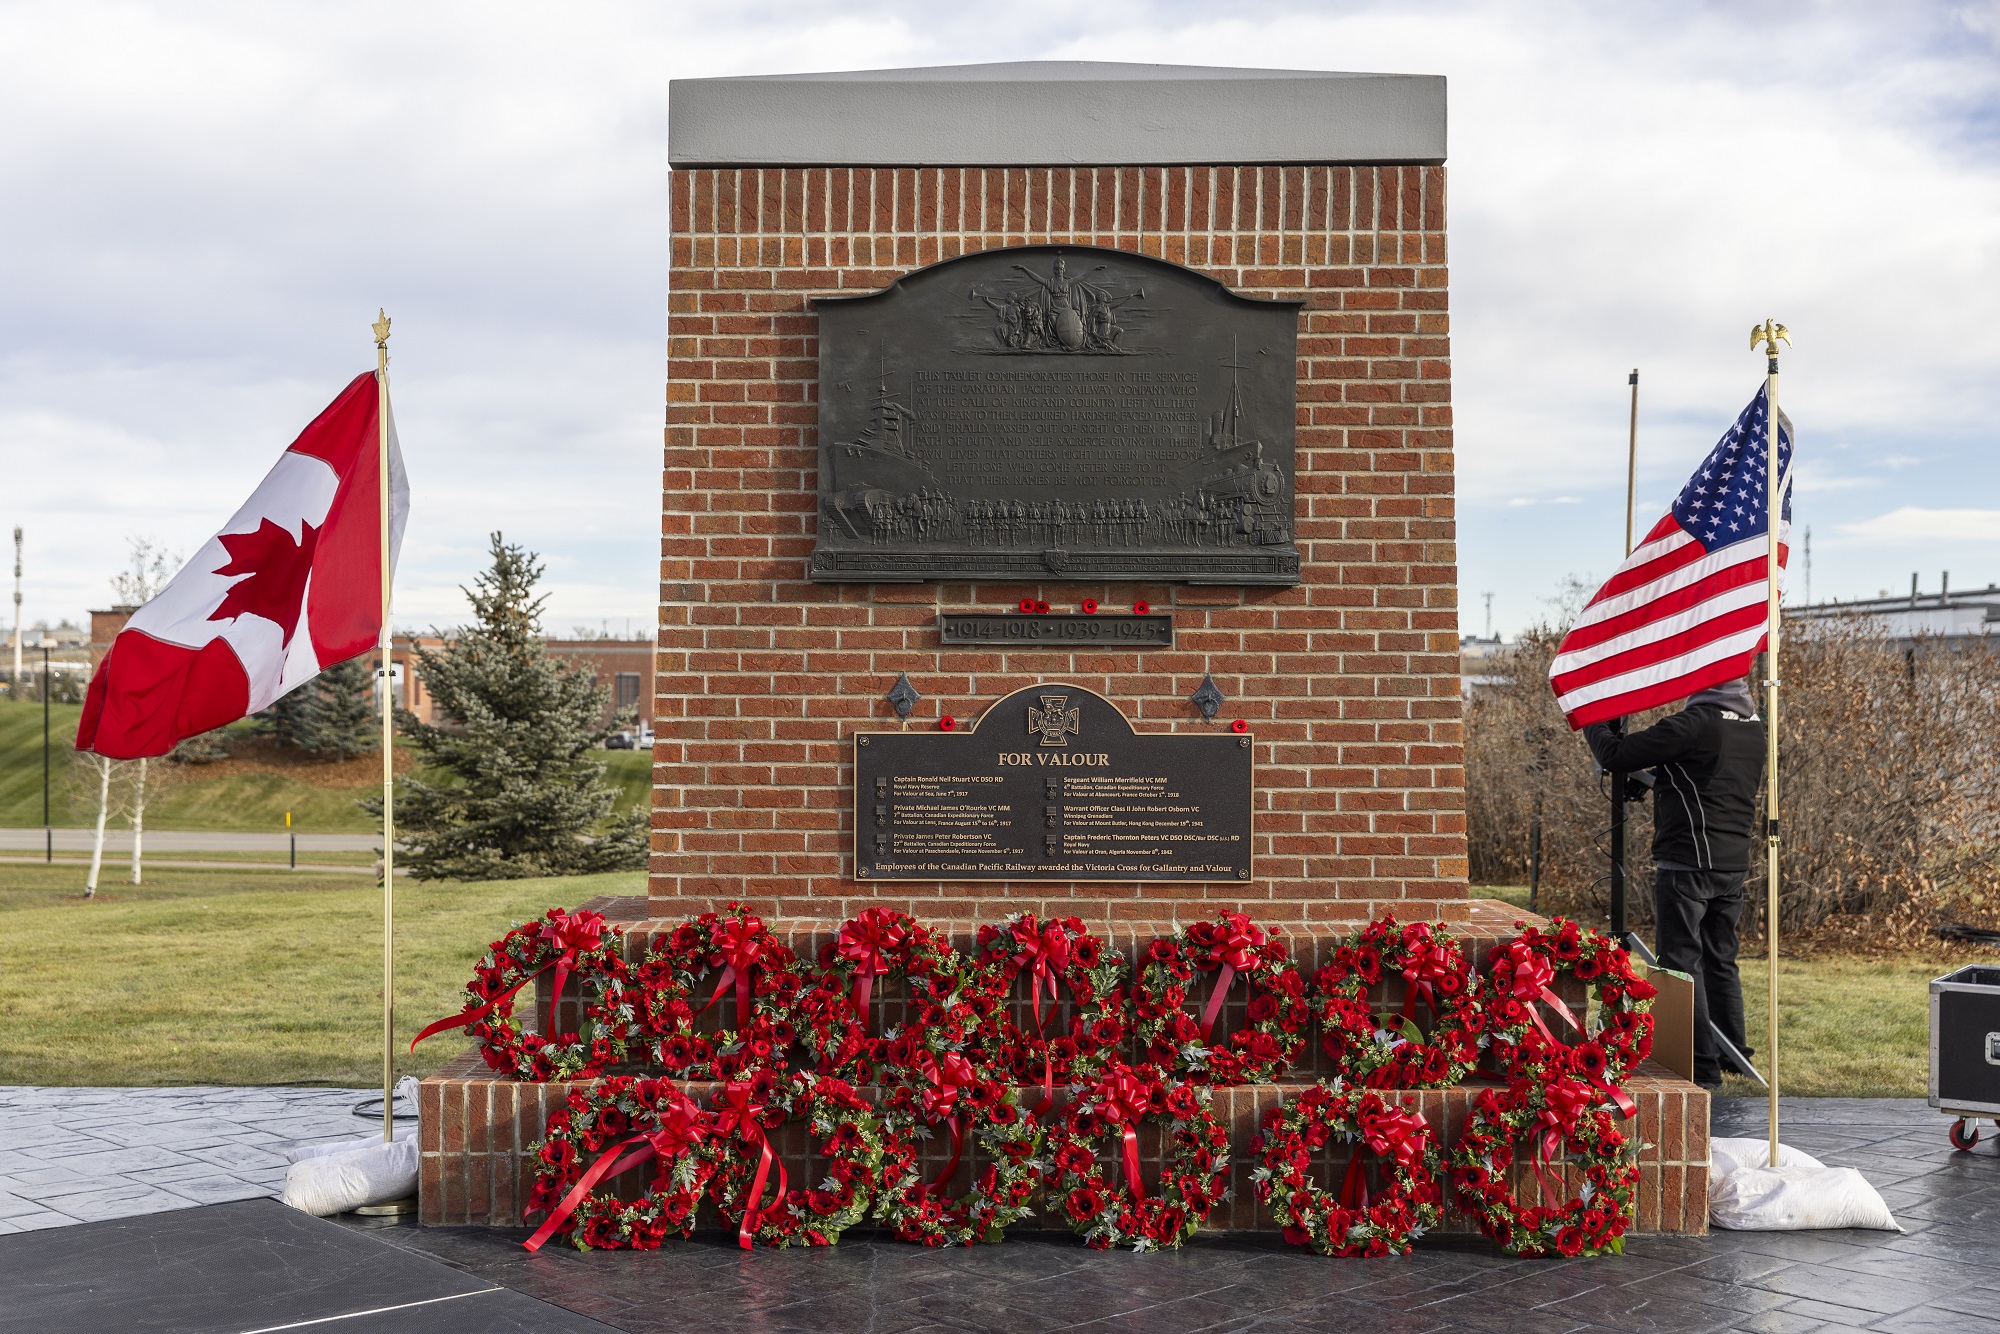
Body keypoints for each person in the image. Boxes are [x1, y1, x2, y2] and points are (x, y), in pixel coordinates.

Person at [1584, 676, 1765, 1089]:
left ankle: (1699, 1067)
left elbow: (1615, 754)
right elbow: (1703, 777)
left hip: (1688, 863)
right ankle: (1732, 1053)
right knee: (1721, 959)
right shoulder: (1752, 725)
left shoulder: (1695, 723)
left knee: (1680, 963)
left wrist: (1594, 717)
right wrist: (1656, 779)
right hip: (1732, 861)